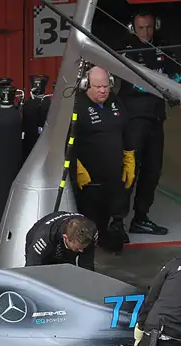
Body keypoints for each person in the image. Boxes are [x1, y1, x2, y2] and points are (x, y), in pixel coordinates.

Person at [117, 8, 181, 236]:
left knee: (153, 170)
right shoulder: (127, 50)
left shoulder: (163, 45)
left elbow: (179, 75)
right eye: (140, 28)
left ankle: (141, 217)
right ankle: (116, 221)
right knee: (129, 171)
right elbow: (135, 82)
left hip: (156, 118)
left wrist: (163, 82)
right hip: (134, 121)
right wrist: (161, 82)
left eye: (148, 27)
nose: (145, 32)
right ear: (132, 28)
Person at [70, 66, 137, 253]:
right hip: (90, 180)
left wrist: (129, 155)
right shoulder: (78, 107)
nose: (103, 90)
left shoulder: (115, 102)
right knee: (89, 222)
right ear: (86, 85)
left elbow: (127, 129)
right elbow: (67, 142)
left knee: (113, 210)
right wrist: (77, 169)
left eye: (106, 86)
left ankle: (110, 236)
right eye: (98, 86)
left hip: (114, 175)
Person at [24, 210, 98, 270]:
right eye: (77, 248)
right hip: (41, 240)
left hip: (66, 246)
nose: (81, 250)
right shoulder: (44, 237)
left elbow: (87, 265)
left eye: (83, 247)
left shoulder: (91, 232)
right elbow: (31, 270)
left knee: (69, 271)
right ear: (65, 237)